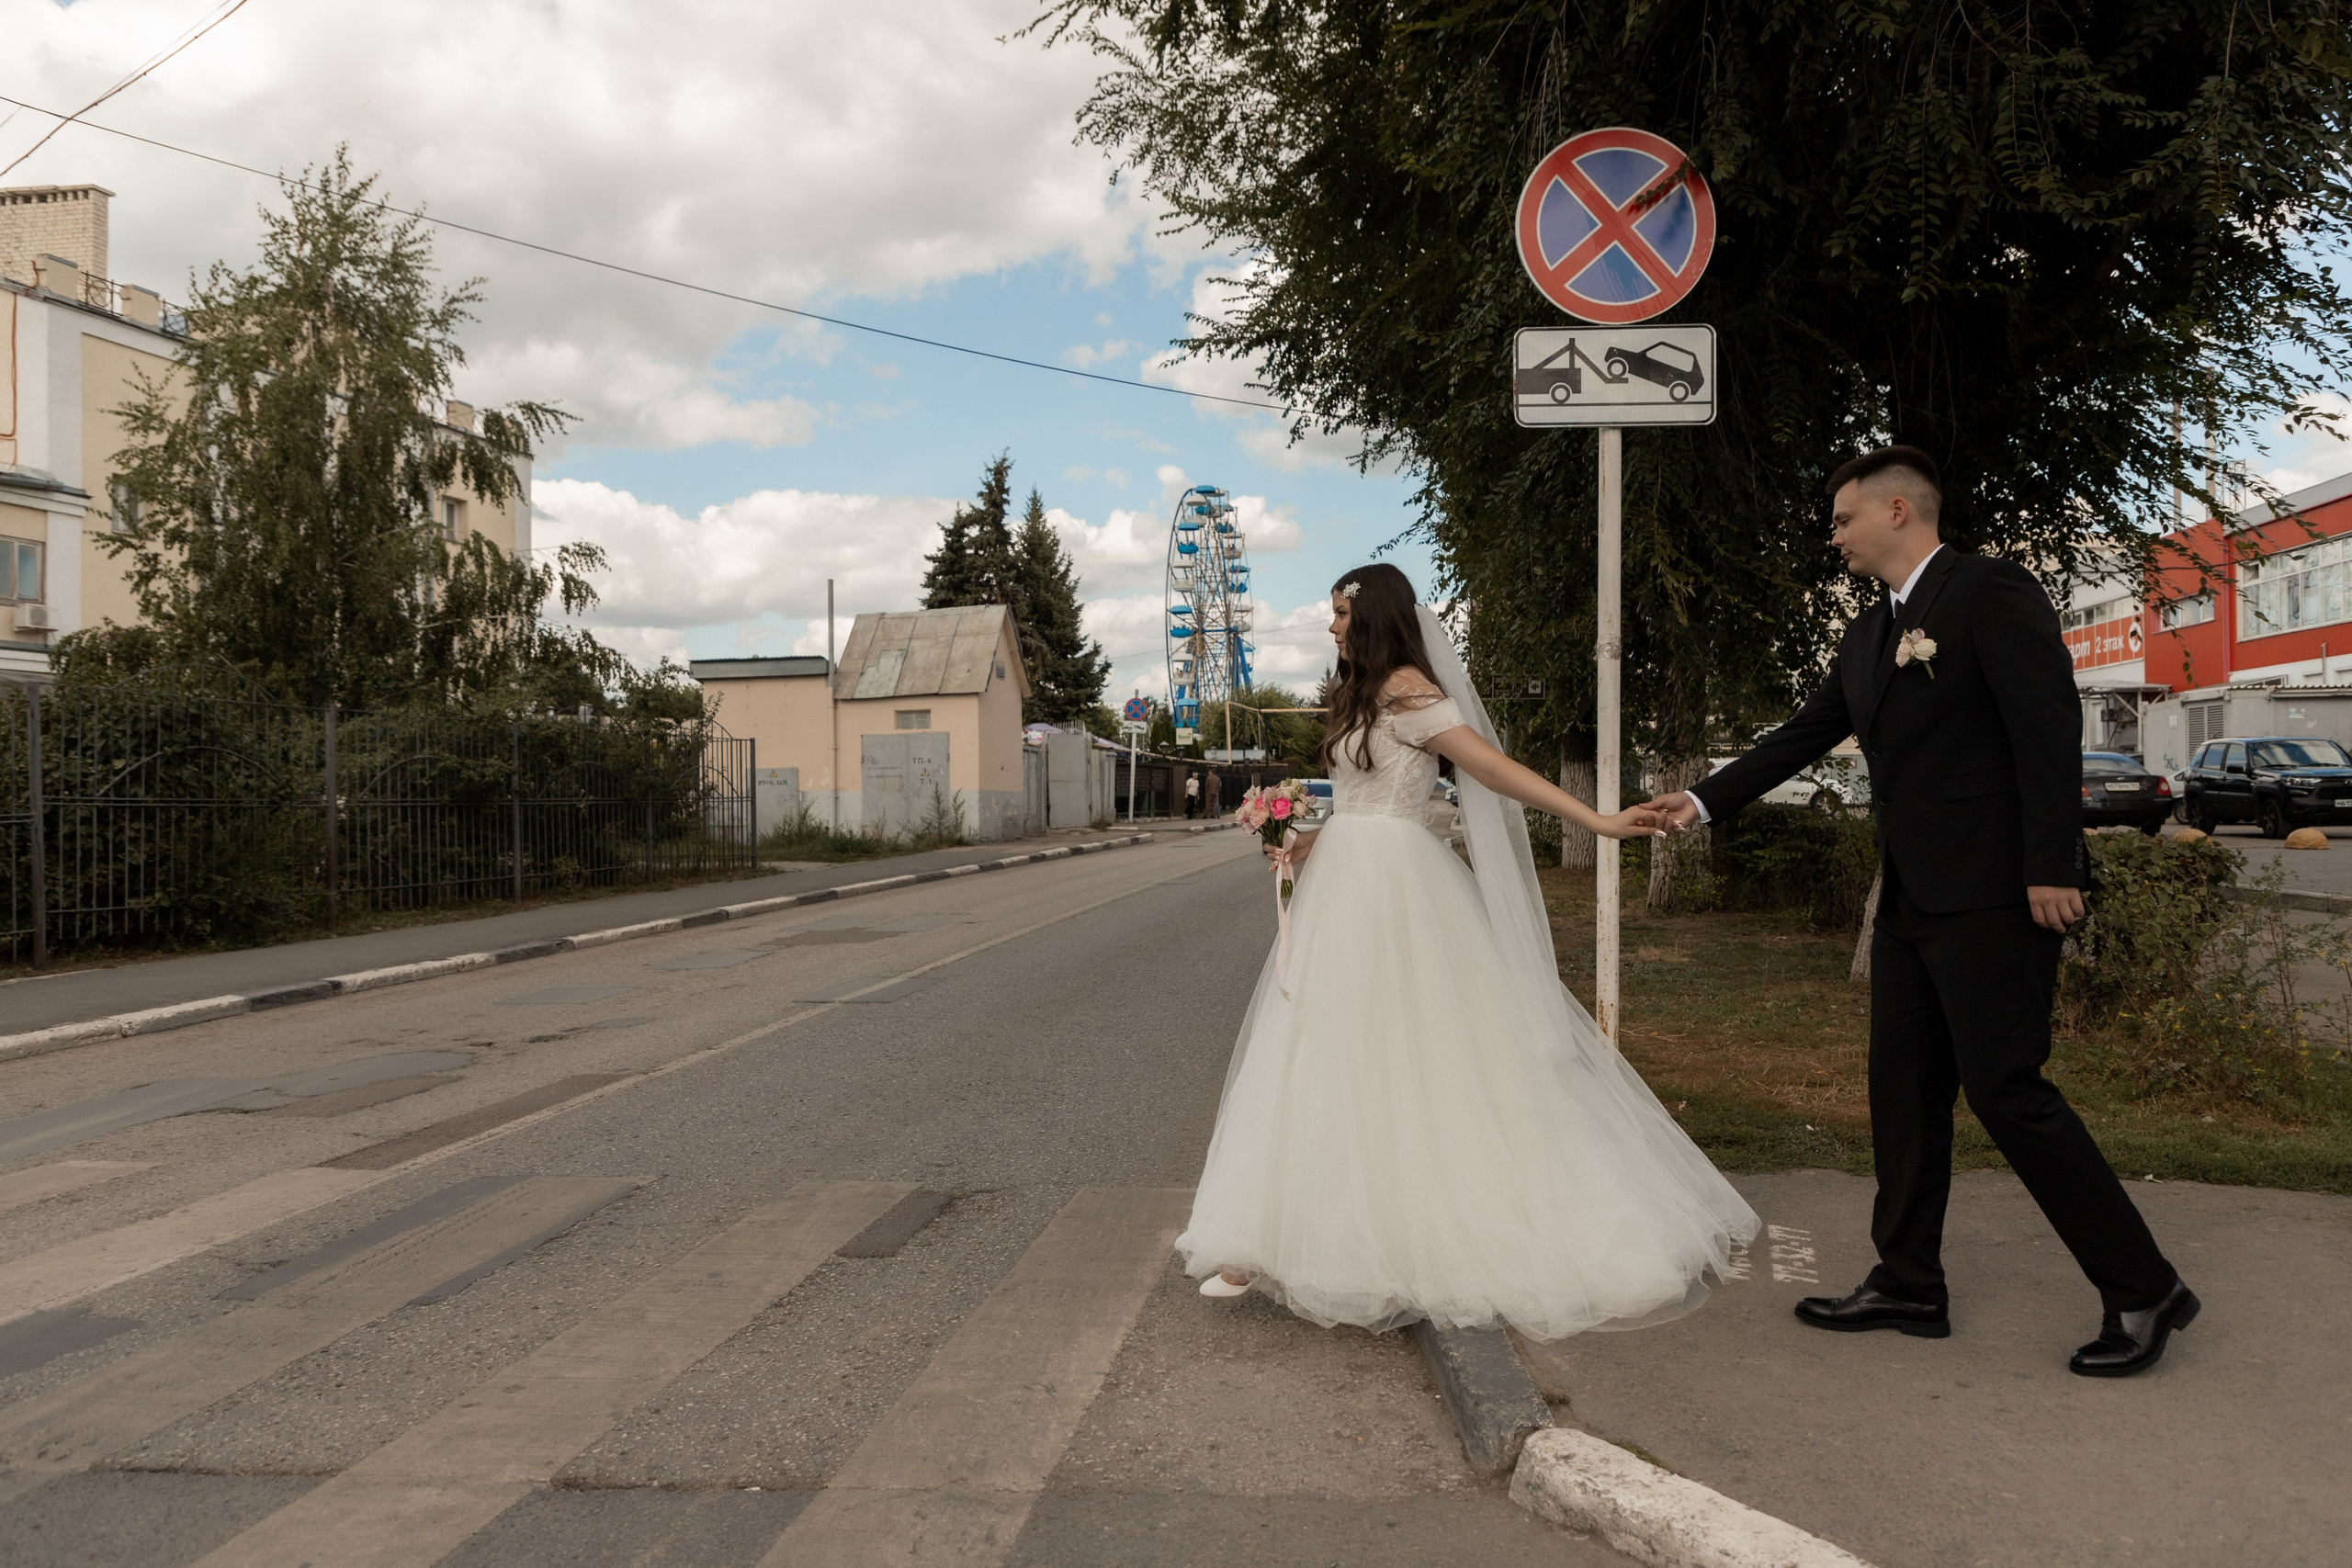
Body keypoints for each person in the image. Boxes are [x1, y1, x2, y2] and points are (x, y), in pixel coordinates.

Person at [1644, 446, 2194, 1378]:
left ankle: (2144, 1287)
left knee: (2007, 1091)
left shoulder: (1989, 592)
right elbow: (1805, 734)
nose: (1834, 536)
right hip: (1907, 901)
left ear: (1897, 510)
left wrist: (2052, 864)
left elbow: (2046, 728)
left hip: (1996, 894)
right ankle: (1907, 1281)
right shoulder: (1868, 634)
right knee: (1902, 1091)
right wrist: (1697, 803)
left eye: (1842, 519)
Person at [1182, 564, 1757, 1340]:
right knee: (1324, 1050)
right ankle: (1276, 1236)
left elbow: (1488, 767)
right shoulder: (1362, 693)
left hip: (1395, 891)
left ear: (1376, 616)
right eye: (1332, 613)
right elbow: (1362, 803)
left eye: (1342, 613)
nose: (1332, 626)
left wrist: (1595, 819)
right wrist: (1302, 838)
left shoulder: (1410, 691)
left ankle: (1395, 1237)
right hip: (1345, 883)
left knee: (1408, 1053)